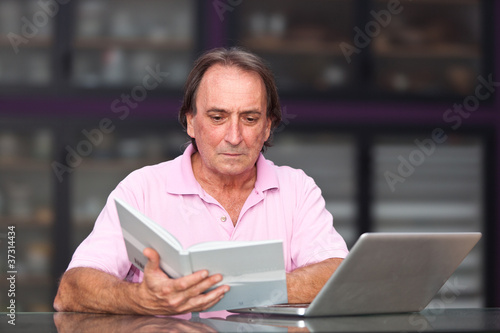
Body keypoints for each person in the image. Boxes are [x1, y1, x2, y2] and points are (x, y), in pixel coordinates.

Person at [53, 47, 348, 316]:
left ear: (268, 126)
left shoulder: (297, 189)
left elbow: (341, 277)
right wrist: (138, 299)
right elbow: (70, 291)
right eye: (218, 117)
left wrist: (239, 288)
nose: (234, 137)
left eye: (249, 119)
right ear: (191, 121)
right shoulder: (142, 189)